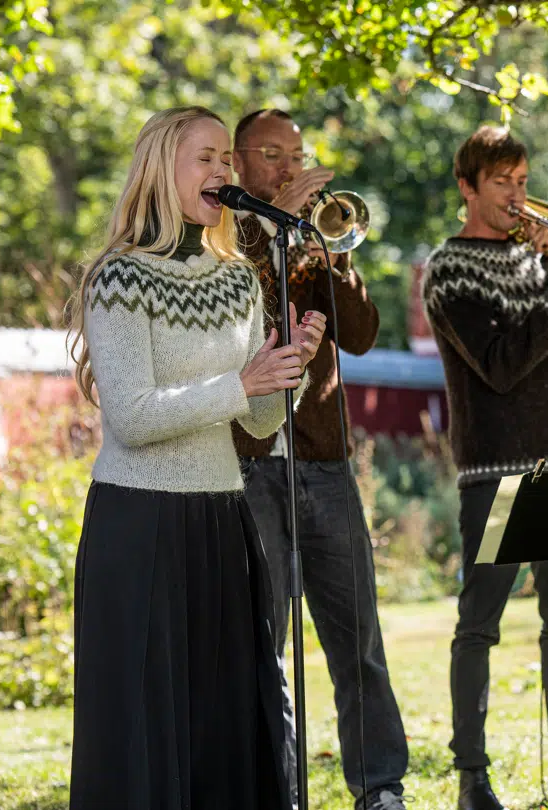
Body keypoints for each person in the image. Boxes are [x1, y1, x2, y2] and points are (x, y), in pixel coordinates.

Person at [65, 105, 326, 809]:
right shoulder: (119, 279)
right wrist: (239, 381)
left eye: (225, 160)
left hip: (221, 522)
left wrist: (284, 371)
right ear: (160, 168)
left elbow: (260, 421)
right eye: (204, 157)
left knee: (226, 722)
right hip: (139, 527)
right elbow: (134, 417)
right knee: (146, 730)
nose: (221, 171)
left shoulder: (239, 279)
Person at [422, 124, 548, 810]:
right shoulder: (449, 268)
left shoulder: (537, 258)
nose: (517, 196)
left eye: (522, 181)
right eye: (502, 182)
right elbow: (503, 368)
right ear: (467, 187)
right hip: (496, 471)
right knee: (480, 622)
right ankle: (472, 780)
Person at [229, 107, 409, 810]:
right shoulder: (223, 240)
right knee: (263, 638)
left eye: (296, 155)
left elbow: (360, 335)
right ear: (239, 163)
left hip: (323, 459)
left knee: (356, 632)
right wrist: (270, 228)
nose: (288, 169)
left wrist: (335, 257)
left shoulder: (315, 235)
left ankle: (380, 787)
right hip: (247, 458)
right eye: (271, 155)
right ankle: (276, 787)